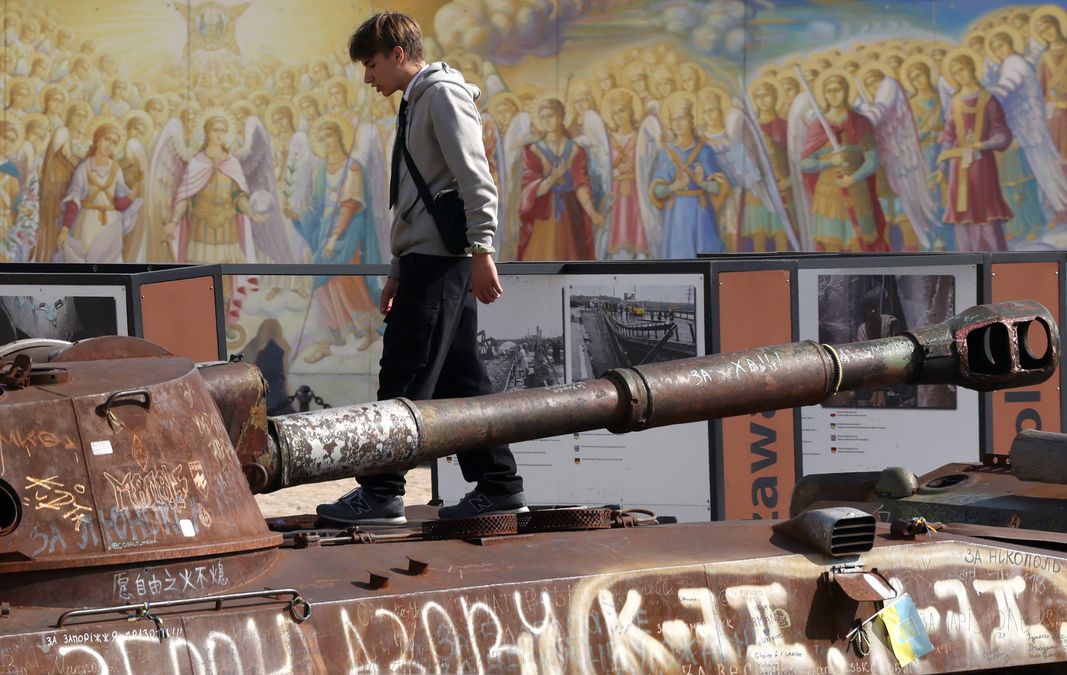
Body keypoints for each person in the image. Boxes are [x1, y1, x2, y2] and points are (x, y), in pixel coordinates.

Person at [316, 12, 525, 525]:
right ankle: (499, 486)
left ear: (397, 54)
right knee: (462, 381)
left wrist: (483, 251)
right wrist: (397, 268)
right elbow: (413, 196)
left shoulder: (441, 95)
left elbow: (476, 179)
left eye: (371, 65)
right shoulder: (417, 100)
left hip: (439, 264)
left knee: (403, 373)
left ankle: (381, 492)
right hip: (425, 261)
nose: (368, 77)